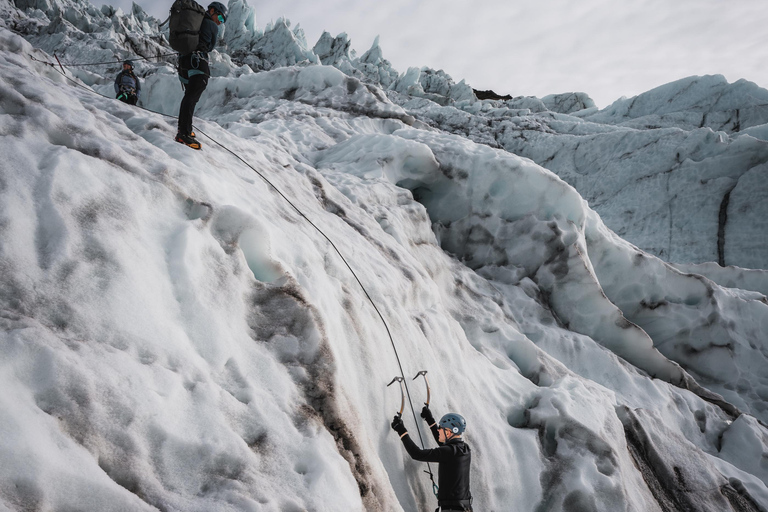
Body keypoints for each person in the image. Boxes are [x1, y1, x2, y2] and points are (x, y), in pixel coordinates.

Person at [391, 406, 473, 512]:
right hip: (465, 508)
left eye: (440, 428)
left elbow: (417, 454)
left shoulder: (449, 451)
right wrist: (430, 420)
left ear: (448, 432)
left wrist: (401, 431)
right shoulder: (465, 449)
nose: (438, 430)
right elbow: (444, 445)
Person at [175, 1, 227, 150]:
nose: (220, 22)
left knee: (189, 97)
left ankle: (184, 130)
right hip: (198, 63)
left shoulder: (195, 21)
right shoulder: (210, 24)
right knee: (191, 98)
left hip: (185, 63)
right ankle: (184, 133)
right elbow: (210, 47)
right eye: (221, 18)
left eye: (222, 21)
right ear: (213, 11)